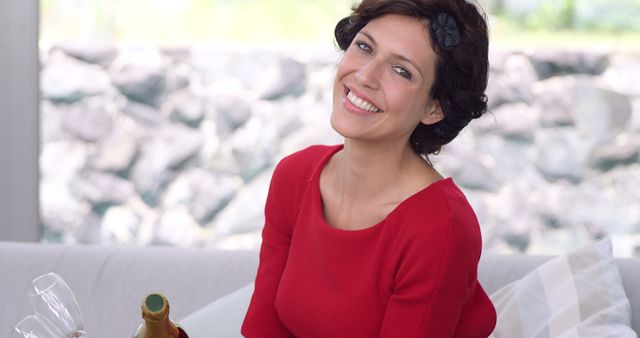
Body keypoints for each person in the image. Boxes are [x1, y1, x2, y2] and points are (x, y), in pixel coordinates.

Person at [241, 0, 496, 336]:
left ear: (434, 108)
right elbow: (264, 327)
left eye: (401, 70)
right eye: (364, 47)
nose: (364, 76)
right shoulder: (295, 176)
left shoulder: (441, 227)